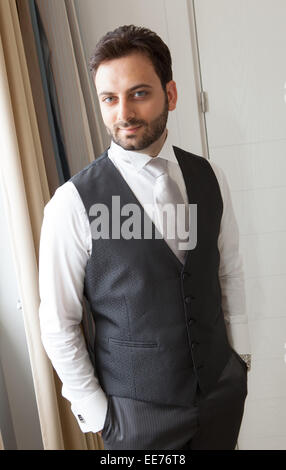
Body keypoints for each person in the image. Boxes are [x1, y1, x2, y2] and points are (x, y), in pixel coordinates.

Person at [39, 24, 251, 450]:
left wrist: (239, 358)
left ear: (170, 95)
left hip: (220, 400)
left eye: (139, 93)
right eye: (109, 99)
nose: (123, 114)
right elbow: (58, 322)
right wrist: (97, 413)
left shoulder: (211, 177)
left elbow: (228, 272)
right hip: (136, 419)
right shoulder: (72, 202)